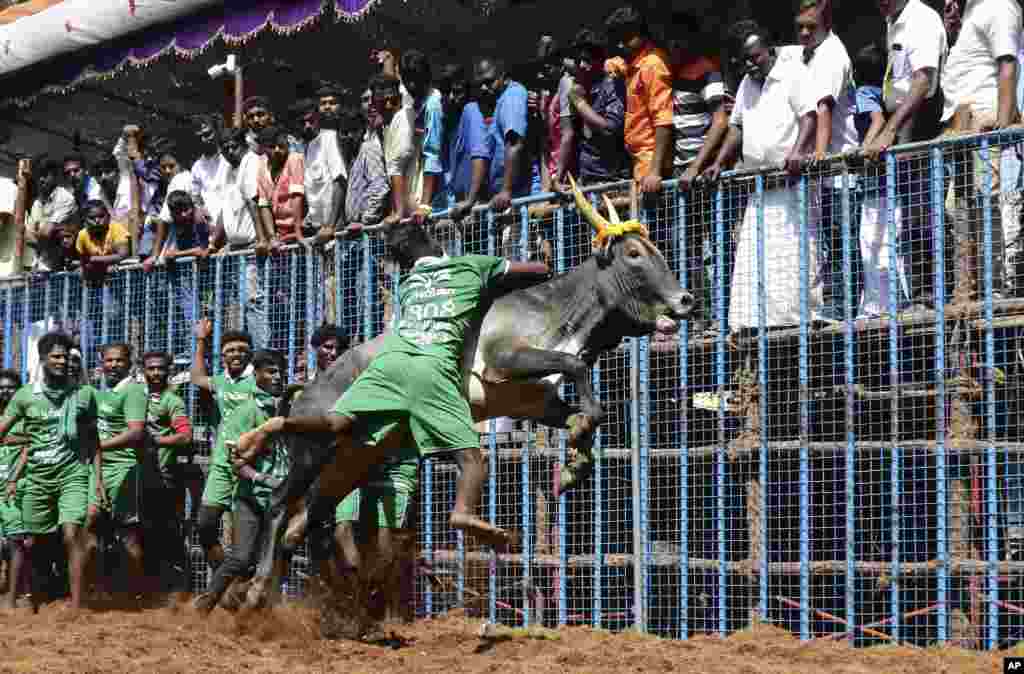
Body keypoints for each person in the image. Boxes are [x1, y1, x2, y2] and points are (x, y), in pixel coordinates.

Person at [237, 220, 550, 554]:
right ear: (431, 240)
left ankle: (278, 424)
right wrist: (542, 258)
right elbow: (538, 270)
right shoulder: (471, 265)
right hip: (432, 368)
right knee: (472, 460)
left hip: (389, 363)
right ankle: (462, 511)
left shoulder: (409, 283)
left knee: (338, 423)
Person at [705, 21, 821, 330]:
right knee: (757, 260)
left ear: (769, 51)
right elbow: (736, 127)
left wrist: (797, 151)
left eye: (754, 57)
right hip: (759, 186)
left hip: (791, 183)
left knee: (793, 257)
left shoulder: (793, 74)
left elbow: (809, 117)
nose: (749, 64)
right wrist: (719, 161)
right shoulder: (746, 84)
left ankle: (793, 323)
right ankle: (755, 323)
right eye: (744, 59)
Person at [0, 332, 99, 611]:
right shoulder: (25, 396)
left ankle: (77, 605)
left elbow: (93, 440)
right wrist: (25, 440)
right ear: (43, 359)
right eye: (56, 356)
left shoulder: (83, 394)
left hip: (73, 475)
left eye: (66, 356)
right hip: (38, 478)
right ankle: (31, 597)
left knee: (72, 534)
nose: (62, 361)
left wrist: (98, 479)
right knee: (31, 543)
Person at [865, 0, 947, 311]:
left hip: (921, 116)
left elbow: (922, 81)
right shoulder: (893, 20)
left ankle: (926, 295)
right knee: (906, 213)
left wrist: (891, 130)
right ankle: (915, 294)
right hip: (902, 118)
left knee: (920, 210)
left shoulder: (921, 18)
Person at [193, 349, 287, 614]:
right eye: (270, 372)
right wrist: (265, 479)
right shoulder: (246, 412)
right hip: (251, 496)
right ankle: (206, 603)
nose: (277, 377)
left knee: (276, 556)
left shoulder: (284, 408)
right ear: (255, 375)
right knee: (242, 558)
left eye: (280, 371)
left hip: (279, 500)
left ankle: (263, 612)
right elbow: (237, 463)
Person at [941, 0, 1021, 300]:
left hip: (982, 125)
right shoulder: (976, 10)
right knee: (961, 207)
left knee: (984, 204)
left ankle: (993, 289)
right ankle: (973, 287)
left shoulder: (999, 5)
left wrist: (1001, 122)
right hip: (963, 128)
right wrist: (954, 30)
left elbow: (1008, 62)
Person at [790, 0, 862, 322]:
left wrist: (819, 155)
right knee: (828, 240)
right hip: (825, 173)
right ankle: (829, 305)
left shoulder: (832, 54)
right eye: (800, 26)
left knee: (841, 239)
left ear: (827, 22)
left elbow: (824, 108)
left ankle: (842, 306)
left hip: (839, 168)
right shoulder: (812, 53)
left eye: (811, 27)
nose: (805, 33)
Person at [189, 320, 259, 571]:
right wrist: (200, 340)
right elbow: (196, 378)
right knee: (205, 524)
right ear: (223, 356)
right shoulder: (221, 381)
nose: (236, 354)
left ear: (250, 353)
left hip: (251, 466)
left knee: (246, 539)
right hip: (222, 464)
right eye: (230, 350)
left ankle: (246, 588)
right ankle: (223, 579)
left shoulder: (259, 381)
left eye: (241, 349)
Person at [82, 343, 150, 597]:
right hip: (97, 469)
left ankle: (136, 593)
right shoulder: (101, 393)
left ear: (129, 363)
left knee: (127, 534)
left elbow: (135, 432)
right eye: (108, 361)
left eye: (119, 361)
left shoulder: (133, 392)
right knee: (89, 525)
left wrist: (98, 446)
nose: (113, 365)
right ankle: (95, 588)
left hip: (123, 469)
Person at [854, 43, 911, 317]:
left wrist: (865, 149)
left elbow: (875, 120)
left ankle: (880, 305)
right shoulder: (889, 93)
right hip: (894, 181)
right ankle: (898, 300)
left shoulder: (864, 92)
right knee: (894, 241)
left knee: (872, 243)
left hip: (876, 181)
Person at [207, 128, 275, 350]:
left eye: (232, 146)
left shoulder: (250, 162)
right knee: (243, 305)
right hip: (237, 249)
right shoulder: (229, 170)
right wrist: (215, 243)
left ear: (242, 144)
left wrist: (263, 238)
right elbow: (227, 210)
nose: (229, 152)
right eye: (224, 148)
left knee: (254, 301)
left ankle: (263, 352)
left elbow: (254, 202)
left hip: (253, 248)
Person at [606, 5, 673, 195]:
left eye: (626, 38)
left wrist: (654, 171)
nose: (621, 44)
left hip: (651, 164)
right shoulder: (634, 63)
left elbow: (663, 120)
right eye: (618, 39)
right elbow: (617, 65)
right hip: (638, 161)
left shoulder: (652, 65)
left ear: (641, 34)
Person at [140, 351, 194, 589]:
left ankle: (179, 589)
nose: (155, 373)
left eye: (160, 368)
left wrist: (155, 442)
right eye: (150, 368)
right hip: (134, 476)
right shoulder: (135, 396)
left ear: (168, 371)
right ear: (143, 371)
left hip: (162, 479)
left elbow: (185, 436)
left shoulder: (172, 401)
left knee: (167, 534)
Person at [569, 29, 629, 186]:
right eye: (578, 61)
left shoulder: (612, 85)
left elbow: (610, 129)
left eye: (587, 60)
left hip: (610, 180)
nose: (582, 65)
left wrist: (580, 103)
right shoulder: (582, 87)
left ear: (600, 60)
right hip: (587, 178)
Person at [475, 57, 531, 214]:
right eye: (480, 84)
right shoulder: (501, 100)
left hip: (517, 197)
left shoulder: (512, 96)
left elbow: (514, 143)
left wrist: (506, 190)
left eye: (489, 81)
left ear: (504, 77)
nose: (484, 88)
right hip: (507, 199)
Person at [401, 50, 446, 221]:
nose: (411, 85)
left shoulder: (433, 104)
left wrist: (425, 204)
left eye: (415, 80)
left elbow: (432, 153)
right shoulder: (416, 103)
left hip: (436, 198)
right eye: (407, 81)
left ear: (426, 76)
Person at [0, 369, 29, 609]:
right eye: (1, 387)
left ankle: (14, 594)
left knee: (16, 541)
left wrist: (13, 478)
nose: (5, 391)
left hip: (15, 486)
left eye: (10, 386)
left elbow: (30, 445)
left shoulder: (26, 415)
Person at [301, 101, 347, 243]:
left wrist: (330, 226)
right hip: (317, 231)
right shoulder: (307, 147)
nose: (307, 125)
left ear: (318, 119)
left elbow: (339, 180)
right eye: (303, 122)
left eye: (311, 120)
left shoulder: (329, 138)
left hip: (333, 231)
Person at [24, 159, 78, 272]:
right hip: (38, 266)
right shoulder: (37, 202)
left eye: (44, 175)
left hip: (61, 268)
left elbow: (45, 232)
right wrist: (50, 236)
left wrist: (43, 232)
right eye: (38, 176)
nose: (41, 179)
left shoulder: (65, 198)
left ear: (54, 176)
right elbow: (28, 237)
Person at [257, 126, 306, 244]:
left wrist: (298, 233)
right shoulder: (262, 167)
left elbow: (297, 197)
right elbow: (264, 205)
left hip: (302, 231)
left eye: (280, 145)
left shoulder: (294, 159)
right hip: (281, 236)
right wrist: (272, 237)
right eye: (272, 147)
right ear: (264, 148)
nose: (277, 150)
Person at [74, 200, 131, 280]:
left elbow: (123, 255)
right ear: (85, 219)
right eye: (91, 218)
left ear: (108, 216)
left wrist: (93, 259)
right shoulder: (82, 235)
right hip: (95, 279)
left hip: (120, 277)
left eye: (101, 216)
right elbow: (83, 261)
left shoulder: (116, 228)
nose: (97, 221)